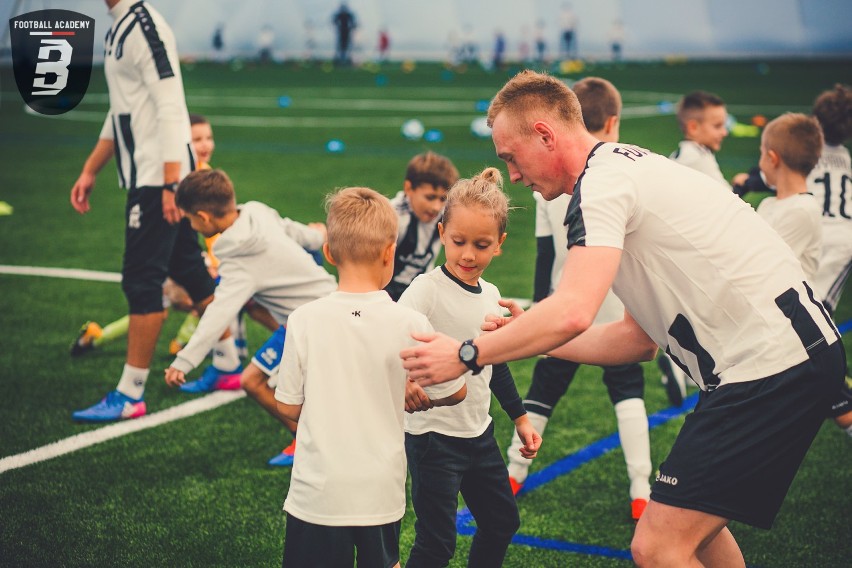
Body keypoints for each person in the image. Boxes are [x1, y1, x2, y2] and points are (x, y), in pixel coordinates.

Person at [400, 70, 845, 567]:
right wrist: (524, 334)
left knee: (657, 547)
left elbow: (571, 311)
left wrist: (466, 353)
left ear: (545, 135)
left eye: (510, 156)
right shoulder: (623, 169)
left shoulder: (599, 186)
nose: (515, 174)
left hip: (766, 367)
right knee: (695, 537)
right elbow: (637, 339)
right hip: (789, 357)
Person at [273, 186, 466, 567]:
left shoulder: (303, 320)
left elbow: (286, 405)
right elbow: (457, 390)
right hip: (379, 491)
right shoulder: (410, 322)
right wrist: (419, 395)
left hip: (317, 492)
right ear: (389, 253)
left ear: (328, 253)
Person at [505, 77, 653, 522]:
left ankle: (513, 471)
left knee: (543, 392)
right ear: (612, 122)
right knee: (628, 392)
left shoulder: (553, 180)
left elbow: (546, 253)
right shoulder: (625, 173)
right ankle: (641, 487)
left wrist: (538, 308)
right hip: (612, 305)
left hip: (563, 303)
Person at [69, 0, 219, 422]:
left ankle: (131, 393)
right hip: (151, 175)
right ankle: (227, 361)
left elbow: (171, 105)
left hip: (158, 178)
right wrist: (90, 169)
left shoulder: (143, 25)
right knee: (190, 271)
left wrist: (172, 183)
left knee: (141, 280)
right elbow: (123, 114)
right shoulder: (119, 25)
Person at [399, 167, 542, 567]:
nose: (467, 254)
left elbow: (494, 363)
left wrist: (521, 420)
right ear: (442, 231)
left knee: (501, 522)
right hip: (433, 441)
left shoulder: (492, 295)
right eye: (459, 241)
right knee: (436, 545)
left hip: (479, 435)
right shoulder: (425, 290)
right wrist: (405, 381)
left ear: (500, 244)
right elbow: (387, 338)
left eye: (481, 245)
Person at [163, 169, 336, 466]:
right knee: (259, 315)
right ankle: (315, 431)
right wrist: (318, 235)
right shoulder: (255, 210)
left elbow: (218, 314)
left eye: (189, 219)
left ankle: (309, 442)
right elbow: (291, 229)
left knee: (253, 381)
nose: (190, 225)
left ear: (204, 218)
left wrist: (184, 360)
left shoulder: (238, 260)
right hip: (328, 302)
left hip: (311, 322)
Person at [754, 113, 824, 280]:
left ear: (772, 159)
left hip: (785, 305)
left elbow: (763, 265)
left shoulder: (802, 209)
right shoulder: (768, 203)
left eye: (761, 153)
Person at [385, 151, 459, 301]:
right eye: (430, 197)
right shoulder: (391, 217)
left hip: (420, 291)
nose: (436, 207)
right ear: (408, 188)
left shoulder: (446, 214)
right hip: (386, 293)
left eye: (442, 199)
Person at [807, 84, 852, 317]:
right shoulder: (844, 157)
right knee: (821, 310)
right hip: (842, 238)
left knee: (805, 305)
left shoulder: (808, 151)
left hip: (811, 232)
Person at [671, 90, 731, 189]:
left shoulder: (688, 152)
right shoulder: (698, 159)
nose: (724, 132)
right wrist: (744, 185)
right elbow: (728, 196)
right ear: (693, 128)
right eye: (717, 126)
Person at [332, 2, 357, 66]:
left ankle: (346, 59)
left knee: (346, 45)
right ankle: (340, 59)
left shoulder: (347, 14)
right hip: (342, 31)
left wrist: (351, 27)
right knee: (341, 45)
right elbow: (334, 21)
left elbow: (353, 22)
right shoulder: (340, 15)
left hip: (346, 31)